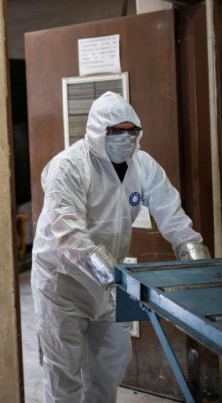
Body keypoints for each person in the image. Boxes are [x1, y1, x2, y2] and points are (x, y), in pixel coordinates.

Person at [31, 91, 210, 403]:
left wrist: (193, 253)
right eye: (115, 131)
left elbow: (171, 211)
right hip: (63, 283)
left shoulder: (143, 165)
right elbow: (68, 232)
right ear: (97, 132)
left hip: (111, 281)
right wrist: (110, 274)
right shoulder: (69, 166)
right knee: (64, 374)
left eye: (132, 131)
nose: (125, 139)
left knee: (110, 365)